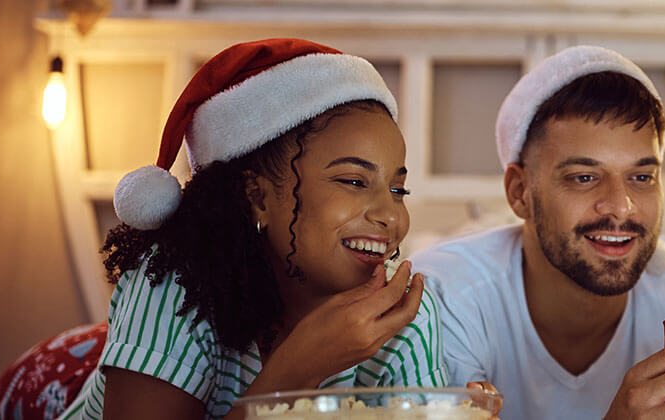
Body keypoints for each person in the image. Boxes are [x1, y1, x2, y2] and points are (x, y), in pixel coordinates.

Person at [56, 38, 476, 420]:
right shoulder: (174, 281)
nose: (391, 216)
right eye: (353, 181)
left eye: (398, 188)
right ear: (256, 196)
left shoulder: (401, 318)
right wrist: (299, 369)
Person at [412, 45, 665, 420]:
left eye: (641, 177)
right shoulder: (444, 295)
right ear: (519, 192)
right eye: (584, 178)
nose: (621, 206)